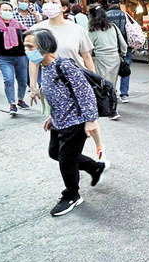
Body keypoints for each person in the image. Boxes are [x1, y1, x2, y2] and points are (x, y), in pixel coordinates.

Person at [25, 30, 106, 217]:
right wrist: (52, 117)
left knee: (66, 161)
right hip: (59, 120)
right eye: (26, 47)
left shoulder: (65, 66)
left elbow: (85, 94)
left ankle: (72, 195)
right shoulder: (46, 66)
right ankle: (95, 167)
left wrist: (90, 121)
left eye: (30, 47)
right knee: (55, 153)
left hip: (75, 122)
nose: (27, 51)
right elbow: (59, 96)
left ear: (45, 47)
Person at [28, 0, 104, 162]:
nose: (49, 5)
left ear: (64, 7)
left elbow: (86, 57)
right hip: (54, 85)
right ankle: (76, 160)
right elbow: (33, 60)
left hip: (77, 83)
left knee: (89, 118)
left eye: (53, 2)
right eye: (46, 1)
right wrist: (33, 86)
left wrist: (94, 82)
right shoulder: (36, 30)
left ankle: (99, 148)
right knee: (64, 129)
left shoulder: (76, 29)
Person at [87, 5, 127, 121]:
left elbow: (88, 49)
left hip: (101, 59)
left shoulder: (92, 31)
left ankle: (110, 110)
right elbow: (123, 45)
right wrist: (123, 54)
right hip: (115, 58)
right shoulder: (113, 27)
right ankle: (112, 108)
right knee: (112, 85)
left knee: (102, 85)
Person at [105, 0, 136, 103]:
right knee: (125, 70)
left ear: (109, 3)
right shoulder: (125, 15)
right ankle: (124, 94)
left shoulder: (105, 16)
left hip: (110, 47)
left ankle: (112, 92)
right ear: (119, 3)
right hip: (125, 47)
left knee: (110, 72)